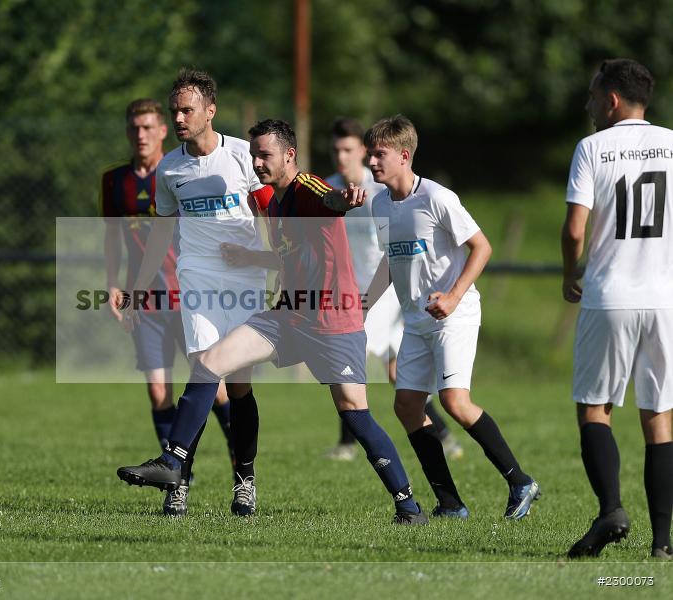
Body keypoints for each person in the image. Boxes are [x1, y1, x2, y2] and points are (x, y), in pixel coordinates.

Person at [119, 118, 429, 525]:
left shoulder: (306, 188)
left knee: (354, 413)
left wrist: (347, 198)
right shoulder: (275, 204)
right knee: (210, 363)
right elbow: (290, 256)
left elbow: (331, 199)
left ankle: (408, 505)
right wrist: (253, 258)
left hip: (333, 323)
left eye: (264, 155)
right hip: (288, 315)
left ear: (289, 155)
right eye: (252, 155)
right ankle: (173, 462)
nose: (257, 162)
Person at [364, 115, 540, 520]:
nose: (372, 161)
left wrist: (454, 296)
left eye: (380, 154)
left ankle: (520, 481)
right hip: (416, 320)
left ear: (404, 156)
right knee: (407, 406)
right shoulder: (379, 203)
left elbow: (482, 247)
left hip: (453, 316)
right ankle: (450, 502)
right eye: (371, 153)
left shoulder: (437, 197)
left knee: (455, 403)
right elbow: (389, 263)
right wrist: (362, 305)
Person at [115, 70, 274, 517]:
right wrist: (137, 287)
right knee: (204, 369)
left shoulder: (244, 156)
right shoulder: (169, 168)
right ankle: (177, 477)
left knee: (237, 387)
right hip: (198, 280)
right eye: (175, 111)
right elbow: (162, 235)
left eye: (187, 109)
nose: (180, 118)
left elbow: (271, 216)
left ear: (210, 110)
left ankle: (244, 479)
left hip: (244, 284)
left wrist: (273, 263)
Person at [100, 99, 235, 516]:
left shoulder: (177, 172)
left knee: (216, 390)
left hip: (190, 297)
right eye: (133, 127)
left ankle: (241, 470)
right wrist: (113, 284)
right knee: (158, 390)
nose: (140, 134)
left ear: (161, 131)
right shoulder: (115, 182)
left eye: (147, 127)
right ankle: (177, 475)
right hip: (147, 302)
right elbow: (112, 237)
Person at [561, 58, 672, 560]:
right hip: (665, 298)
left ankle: (611, 510)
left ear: (610, 100)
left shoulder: (592, 148)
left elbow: (574, 229)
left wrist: (570, 272)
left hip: (611, 295)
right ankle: (663, 544)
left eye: (591, 97)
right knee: (660, 418)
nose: (588, 106)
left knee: (594, 407)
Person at [324, 117, 462, 461]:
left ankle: (347, 443)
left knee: (348, 356)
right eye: (336, 150)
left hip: (382, 293)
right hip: (351, 291)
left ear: (362, 152)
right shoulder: (329, 190)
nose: (342, 157)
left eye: (349, 150)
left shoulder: (378, 192)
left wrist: (369, 297)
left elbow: (393, 251)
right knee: (394, 372)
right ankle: (444, 434)